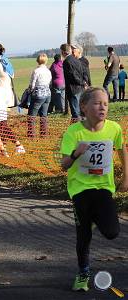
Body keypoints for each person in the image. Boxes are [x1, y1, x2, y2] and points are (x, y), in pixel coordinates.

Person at [60, 87, 128, 292]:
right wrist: (75, 154)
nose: (103, 107)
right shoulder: (74, 132)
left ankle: (95, 219)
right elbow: (63, 165)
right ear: (84, 107)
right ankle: (83, 274)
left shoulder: (113, 128)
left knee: (112, 232)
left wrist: (126, 176)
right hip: (80, 190)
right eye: (97, 103)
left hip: (103, 188)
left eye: (106, 104)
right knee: (84, 236)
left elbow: (121, 149)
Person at [27, 53, 52, 137]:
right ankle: (43, 134)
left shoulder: (36, 71)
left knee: (31, 115)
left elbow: (32, 84)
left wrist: (29, 92)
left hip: (38, 94)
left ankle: (31, 134)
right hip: (47, 94)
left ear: (37, 61)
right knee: (44, 115)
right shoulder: (48, 71)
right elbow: (49, 82)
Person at [60, 43, 86, 120]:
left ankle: (77, 130)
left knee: (75, 113)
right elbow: (82, 73)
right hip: (80, 89)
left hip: (73, 89)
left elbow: (72, 75)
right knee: (80, 112)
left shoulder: (66, 62)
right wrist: (83, 83)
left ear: (63, 52)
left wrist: (80, 82)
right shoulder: (77, 60)